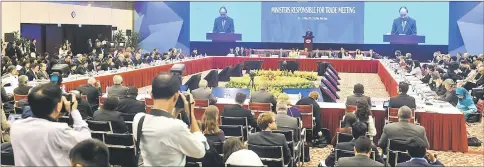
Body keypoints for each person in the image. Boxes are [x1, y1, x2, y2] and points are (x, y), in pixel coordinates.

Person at [133, 73, 207, 166]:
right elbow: (200, 151)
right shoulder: (177, 127)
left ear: (151, 94)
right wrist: (191, 114)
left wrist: (175, 112)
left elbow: (162, 131)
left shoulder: (139, 119)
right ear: (176, 96)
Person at [10, 83, 91, 166]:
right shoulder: (57, 131)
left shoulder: (16, 126)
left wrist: (55, 116)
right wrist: (73, 110)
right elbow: (87, 141)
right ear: (58, 105)